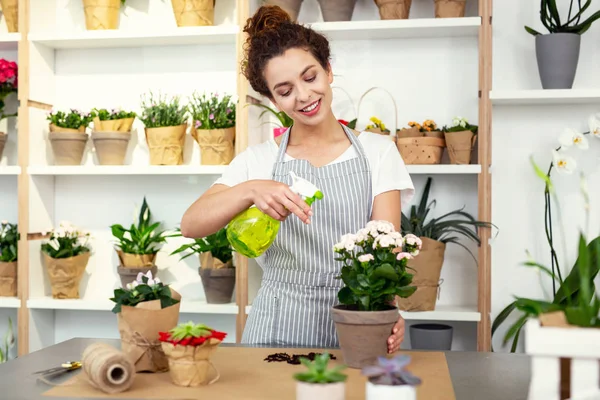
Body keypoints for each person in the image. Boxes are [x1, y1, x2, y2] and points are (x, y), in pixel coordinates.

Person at [180, 5, 415, 353]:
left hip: (356, 318)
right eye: (285, 89)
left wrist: (387, 309)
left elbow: (386, 250)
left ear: (329, 70)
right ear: (272, 99)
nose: (304, 96)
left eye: (310, 77)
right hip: (276, 324)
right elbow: (191, 224)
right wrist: (250, 189)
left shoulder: (378, 152)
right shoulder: (258, 161)